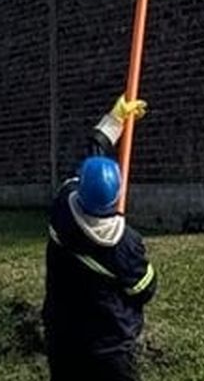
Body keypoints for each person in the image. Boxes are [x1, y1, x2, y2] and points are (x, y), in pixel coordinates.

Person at [43, 95, 157, 381]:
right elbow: (145, 288)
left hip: (63, 341)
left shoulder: (62, 208)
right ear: (117, 197)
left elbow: (90, 162)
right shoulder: (125, 245)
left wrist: (114, 120)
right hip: (110, 351)